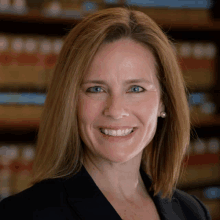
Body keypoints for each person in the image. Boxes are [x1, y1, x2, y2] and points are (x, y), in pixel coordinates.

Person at [0, 6, 212, 220]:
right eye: (96, 89)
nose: (115, 110)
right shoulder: (22, 214)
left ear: (164, 102)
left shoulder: (192, 212)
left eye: (136, 89)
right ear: (70, 102)